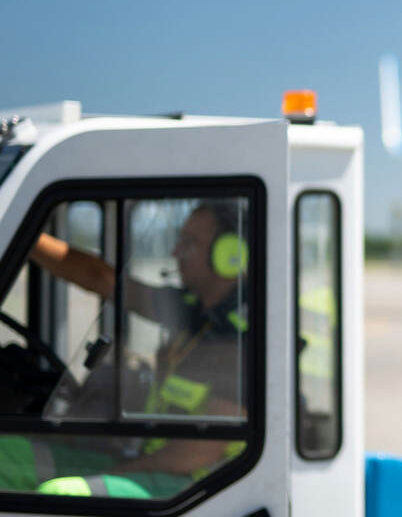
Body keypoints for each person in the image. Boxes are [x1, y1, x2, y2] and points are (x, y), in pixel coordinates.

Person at [0, 200, 249, 498]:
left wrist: (117, 472)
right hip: (151, 463)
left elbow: (200, 452)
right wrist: (19, 232)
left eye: (189, 243)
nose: (175, 252)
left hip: (194, 485)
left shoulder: (241, 338)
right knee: (7, 454)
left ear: (229, 255)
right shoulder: (194, 313)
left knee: (62, 493)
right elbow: (102, 280)